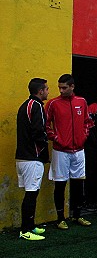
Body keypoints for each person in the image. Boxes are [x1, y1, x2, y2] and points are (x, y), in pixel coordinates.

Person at [45, 74, 93, 229]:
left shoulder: (82, 102)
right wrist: (56, 138)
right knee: (60, 184)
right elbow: (45, 125)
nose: (61, 90)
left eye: (64, 87)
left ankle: (77, 215)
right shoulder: (53, 103)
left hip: (79, 150)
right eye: (59, 87)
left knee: (79, 183)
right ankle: (60, 218)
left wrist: (84, 136)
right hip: (60, 151)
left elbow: (87, 122)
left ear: (72, 86)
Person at [16, 78, 50, 240]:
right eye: (47, 89)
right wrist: (43, 147)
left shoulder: (25, 106)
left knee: (31, 193)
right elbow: (39, 131)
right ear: (40, 91)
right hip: (32, 158)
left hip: (22, 157)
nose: (48, 92)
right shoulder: (36, 107)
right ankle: (25, 230)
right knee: (31, 193)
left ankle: (30, 225)